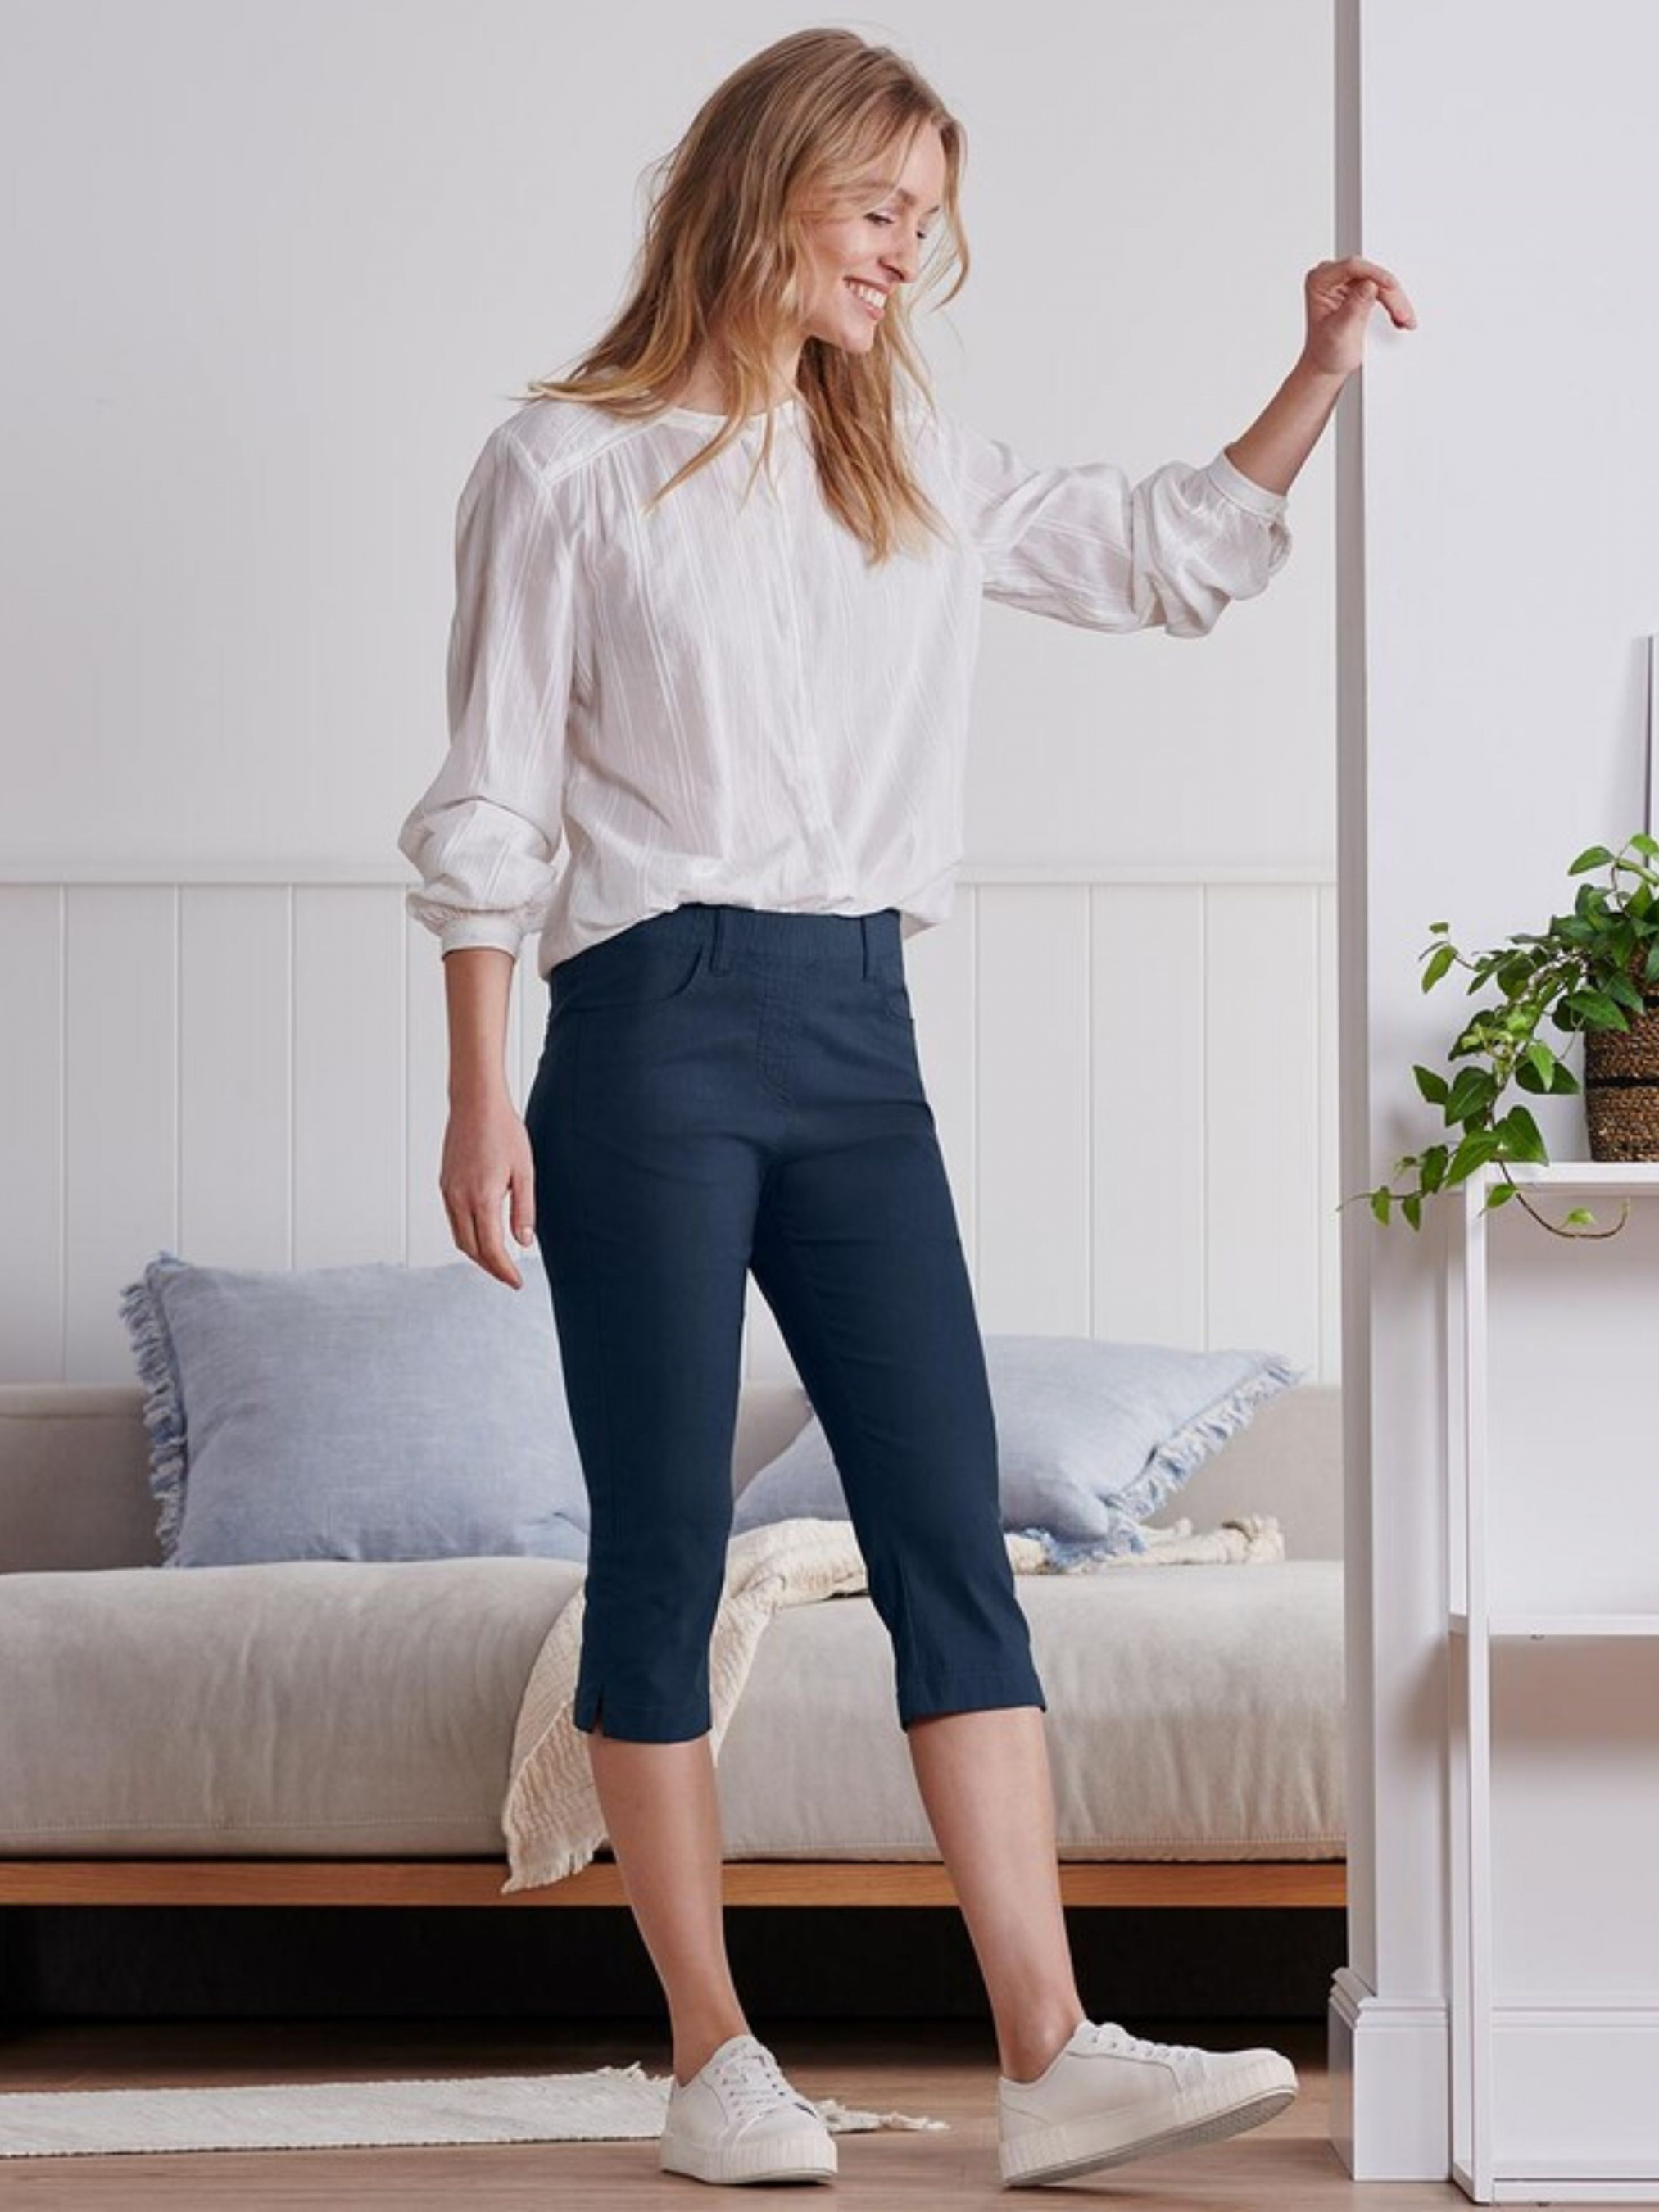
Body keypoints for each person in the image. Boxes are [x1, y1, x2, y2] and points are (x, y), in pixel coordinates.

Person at [397, 24, 1416, 2192]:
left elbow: (1162, 553)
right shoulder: (563, 465)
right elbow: (491, 799)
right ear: (762, 195)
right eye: (877, 213)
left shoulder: (910, 467)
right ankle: (712, 2057)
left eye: (923, 226)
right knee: (663, 1544)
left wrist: (1312, 369)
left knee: (949, 1534)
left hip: (860, 1036)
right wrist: (481, 1093)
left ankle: (1051, 2052)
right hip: (645, 1034)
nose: (903, 258)